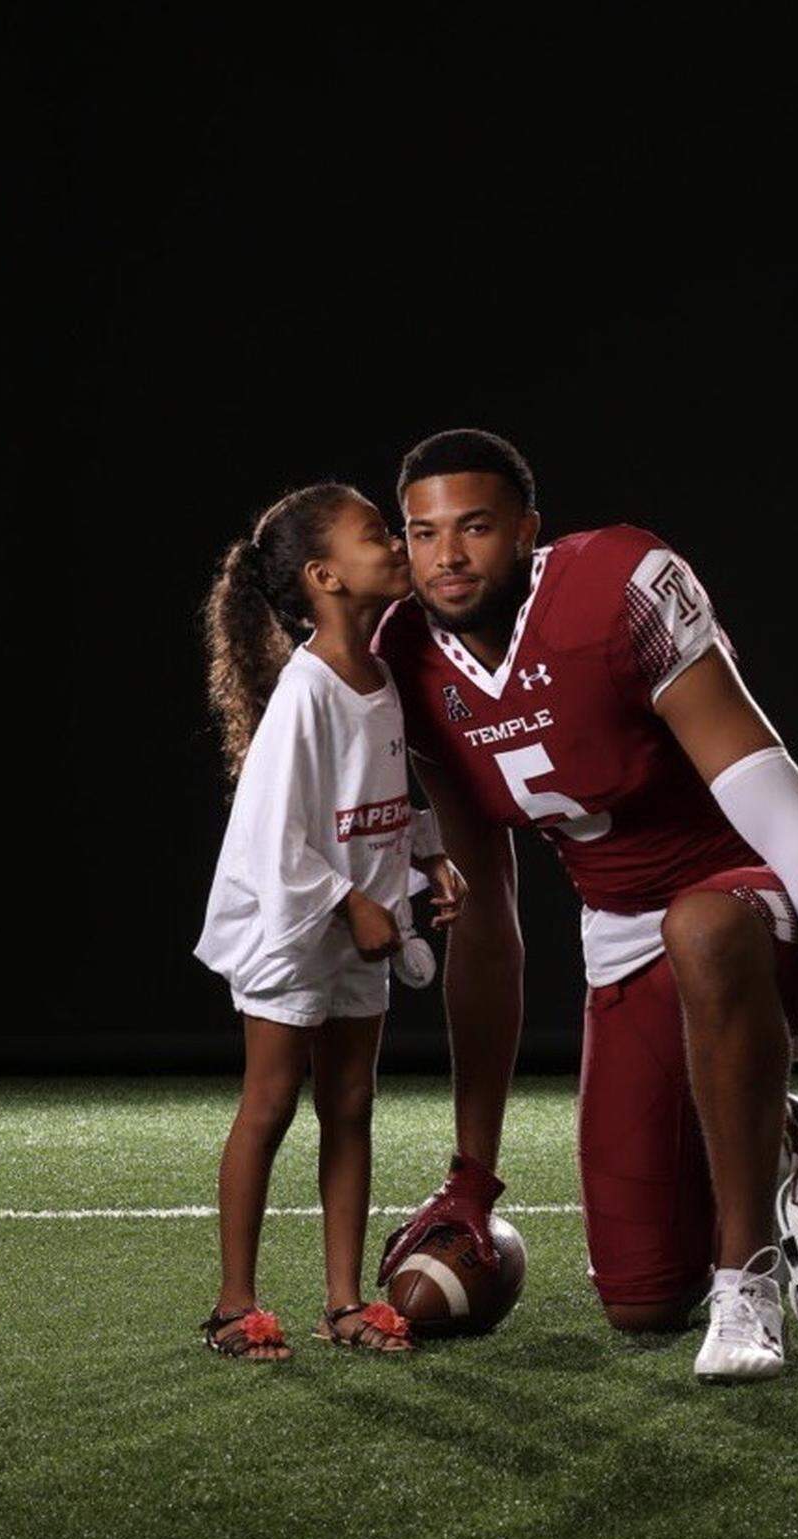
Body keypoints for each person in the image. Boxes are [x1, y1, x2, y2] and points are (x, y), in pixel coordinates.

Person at [373, 429, 798, 1382]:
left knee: (702, 922)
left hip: (759, 894)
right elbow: (491, 928)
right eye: (423, 535)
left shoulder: (619, 585)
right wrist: (472, 1169)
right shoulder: (410, 661)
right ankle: (771, 1126)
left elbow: (780, 805)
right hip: (623, 934)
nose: (448, 557)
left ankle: (748, 1281)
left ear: (527, 533)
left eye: (474, 528)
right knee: (637, 1300)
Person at [193, 481, 465, 1359]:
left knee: (352, 1103)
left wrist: (427, 853)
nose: (396, 544)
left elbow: (375, 798)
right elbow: (276, 842)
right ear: (324, 577)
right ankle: (236, 1305)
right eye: (375, 534)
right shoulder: (306, 694)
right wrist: (350, 903)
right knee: (271, 1101)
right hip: (289, 925)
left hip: (362, 922)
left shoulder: (379, 676)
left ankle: (343, 1302)